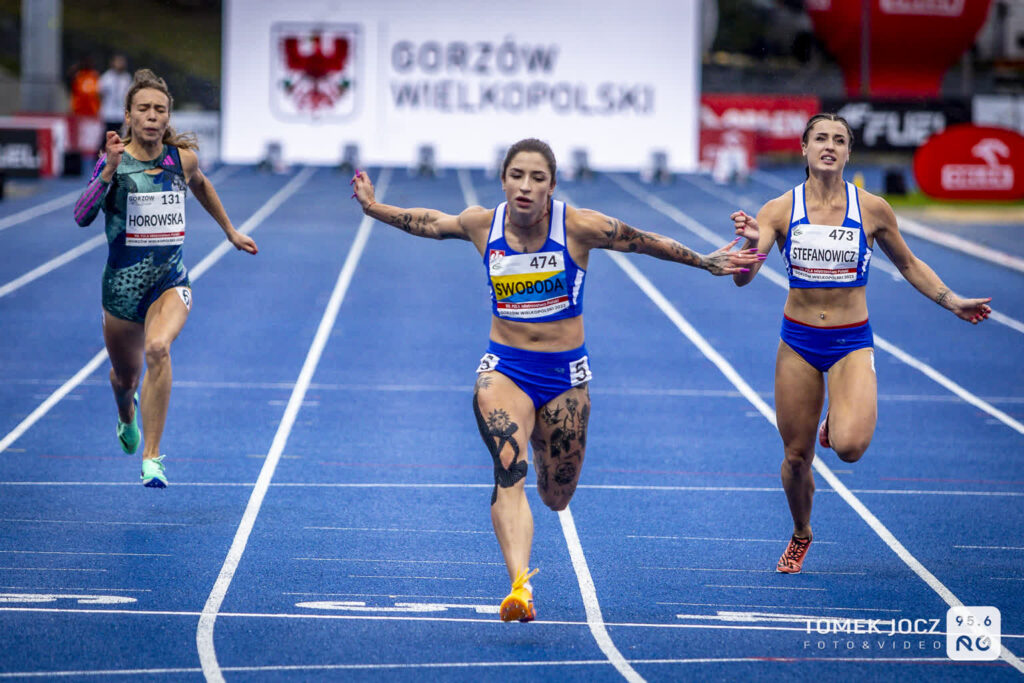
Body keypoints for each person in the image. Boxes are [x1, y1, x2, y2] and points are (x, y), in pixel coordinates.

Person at [351, 138, 763, 621]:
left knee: (556, 496)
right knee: (510, 470)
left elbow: (646, 241)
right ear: (503, 179)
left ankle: (547, 464)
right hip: (504, 371)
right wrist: (375, 208)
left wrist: (705, 260)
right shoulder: (482, 224)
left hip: (566, 380)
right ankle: (519, 588)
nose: (525, 187)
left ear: (551, 186)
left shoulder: (580, 227)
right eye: (517, 176)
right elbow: (429, 223)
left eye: (537, 178)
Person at [730, 113, 991, 574]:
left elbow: (909, 264)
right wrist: (750, 248)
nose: (829, 146)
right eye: (820, 139)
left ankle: (837, 417)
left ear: (849, 152)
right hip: (799, 342)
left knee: (849, 447)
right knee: (795, 458)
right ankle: (801, 532)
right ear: (804, 148)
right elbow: (744, 279)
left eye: (838, 140)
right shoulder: (778, 210)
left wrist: (952, 301)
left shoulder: (872, 209)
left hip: (851, 341)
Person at [73, 69, 258, 488]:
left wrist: (230, 231)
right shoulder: (114, 163)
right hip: (121, 290)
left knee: (158, 348)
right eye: (144, 109)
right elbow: (82, 216)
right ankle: (126, 414)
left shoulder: (180, 159)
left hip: (170, 282)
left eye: (160, 109)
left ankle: (152, 457)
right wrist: (106, 173)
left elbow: (201, 184)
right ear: (129, 115)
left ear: (168, 115)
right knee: (125, 380)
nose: (152, 116)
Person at [98, 55, 132, 134]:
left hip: (121, 114)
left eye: (122, 62)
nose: (120, 64)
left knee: (120, 136)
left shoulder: (127, 78)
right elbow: (100, 94)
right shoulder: (106, 77)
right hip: (108, 113)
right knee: (107, 136)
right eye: (118, 62)